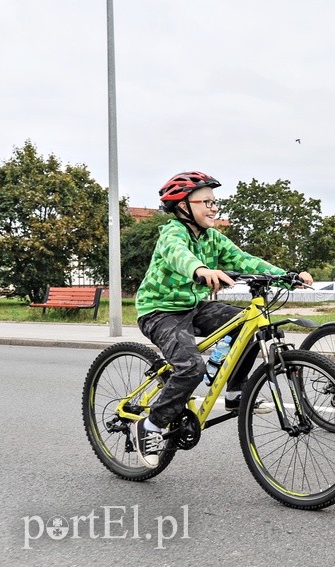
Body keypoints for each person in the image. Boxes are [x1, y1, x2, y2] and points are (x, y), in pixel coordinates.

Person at [131, 171, 313, 468]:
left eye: (215, 202)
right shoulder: (172, 233)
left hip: (193, 306)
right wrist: (201, 270)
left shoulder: (213, 238)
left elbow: (245, 260)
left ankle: (235, 391)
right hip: (159, 310)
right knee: (191, 368)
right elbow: (179, 255)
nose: (213, 208)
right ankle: (150, 426)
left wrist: (286, 276)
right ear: (182, 206)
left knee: (249, 322)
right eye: (206, 202)